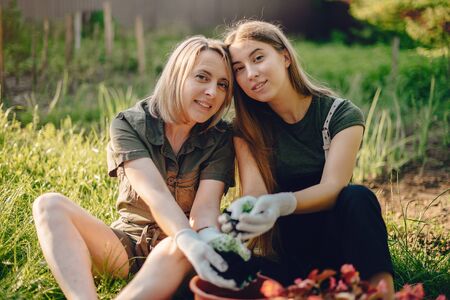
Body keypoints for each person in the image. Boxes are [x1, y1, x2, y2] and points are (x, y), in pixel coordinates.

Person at [32, 36, 238, 300]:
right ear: (177, 75)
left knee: (175, 244)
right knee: (48, 204)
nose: (213, 92)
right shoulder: (129, 124)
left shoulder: (221, 137)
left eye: (222, 85)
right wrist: (187, 237)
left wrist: (199, 239)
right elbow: (155, 194)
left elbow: (205, 210)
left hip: (178, 253)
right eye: (202, 77)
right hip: (126, 246)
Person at [218, 20, 395, 297]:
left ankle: (382, 294)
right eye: (239, 69)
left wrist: (282, 202)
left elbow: (333, 187)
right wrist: (244, 214)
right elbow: (254, 192)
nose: (250, 74)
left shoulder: (339, 115)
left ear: (285, 56)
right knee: (215, 268)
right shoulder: (246, 127)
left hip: (342, 250)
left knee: (358, 197)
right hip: (288, 256)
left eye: (258, 58)